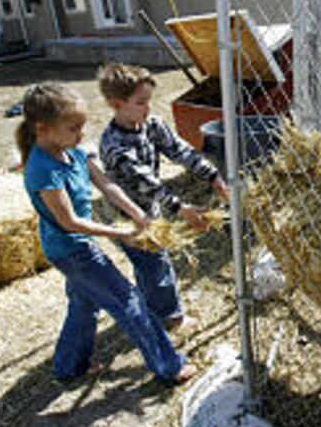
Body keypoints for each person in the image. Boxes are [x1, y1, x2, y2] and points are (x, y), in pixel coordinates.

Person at [17, 82, 195, 383]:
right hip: (70, 249)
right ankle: (169, 366)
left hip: (76, 245)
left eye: (82, 127)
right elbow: (69, 222)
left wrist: (138, 215)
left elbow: (108, 185)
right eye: (73, 128)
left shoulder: (74, 152)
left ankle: (69, 366)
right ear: (43, 128)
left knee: (84, 303)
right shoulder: (43, 170)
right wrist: (119, 233)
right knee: (129, 301)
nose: (81, 134)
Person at [97, 62, 229, 330]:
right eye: (140, 102)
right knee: (155, 266)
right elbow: (147, 182)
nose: (148, 108)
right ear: (116, 104)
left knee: (151, 266)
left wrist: (213, 175)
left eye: (149, 101)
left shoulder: (150, 124)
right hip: (129, 217)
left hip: (149, 209)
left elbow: (179, 150)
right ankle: (170, 319)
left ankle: (154, 310)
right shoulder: (114, 146)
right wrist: (182, 209)